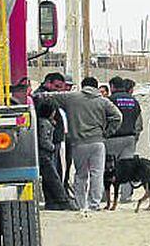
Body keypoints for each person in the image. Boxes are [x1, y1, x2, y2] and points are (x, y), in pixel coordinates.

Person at [51, 77, 123, 211]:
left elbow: (49, 97)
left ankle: (80, 204)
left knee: (80, 174)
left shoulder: (71, 98)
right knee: (97, 173)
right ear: (96, 87)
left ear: (83, 86)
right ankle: (94, 204)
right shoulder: (103, 101)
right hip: (97, 142)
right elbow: (117, 117)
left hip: (78, 143)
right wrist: (107, 132)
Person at [105, 76, 143, 203]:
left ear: (112, 87)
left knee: (109, 168)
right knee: (126, 168)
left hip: (113, 138)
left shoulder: (109, 100)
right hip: (129, 138)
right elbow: (138, 121)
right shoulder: (134, 101)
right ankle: (126, 196)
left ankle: (106, 197)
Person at [37, 100, 75, 211]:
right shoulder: (44, 124)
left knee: (49, 178)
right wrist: (52, 147)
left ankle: (51, 202)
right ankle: (62, 200)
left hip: (45, 154)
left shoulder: (44, 122)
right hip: (45, 154)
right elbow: (43, 140)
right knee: (53, 178)